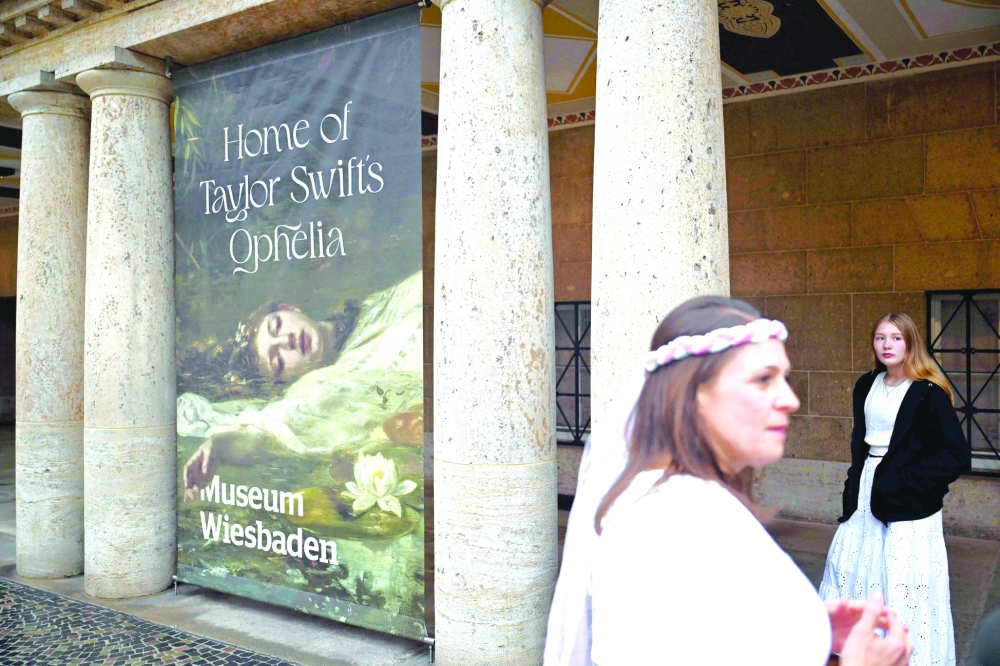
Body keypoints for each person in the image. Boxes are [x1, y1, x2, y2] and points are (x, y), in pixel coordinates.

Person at [546, 296, 912, 666]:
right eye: (763, 379)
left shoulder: (696, 498)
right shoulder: (662, 522)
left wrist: (806, 632)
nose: (790, 400)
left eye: (783, 378)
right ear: (693, 394)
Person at [177, 271, 425, 500]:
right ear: (285, 381)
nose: (287, 340)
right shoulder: (322, 388)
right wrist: (219, 446)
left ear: (288, 308)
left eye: (277, 326)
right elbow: (275, 428)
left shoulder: (374, 307)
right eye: (279, 360)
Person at [819, 313, 970, 666]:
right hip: (867, 489)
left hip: (908, 501)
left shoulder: (928, 393)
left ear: (911, 343)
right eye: (879, 337)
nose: (887, 345)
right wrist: (854, 483)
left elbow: (955, 455)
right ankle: (855, 651)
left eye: (896, 338)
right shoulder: (866, 385)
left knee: (901, 577)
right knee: (850, 567)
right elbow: (860, 443)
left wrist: (909, 484)